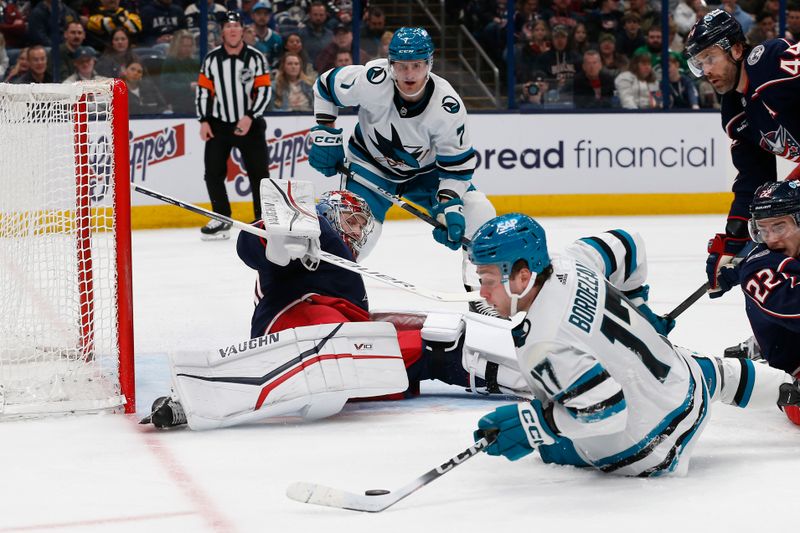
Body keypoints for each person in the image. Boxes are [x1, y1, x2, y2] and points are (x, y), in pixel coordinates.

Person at [141, 184, 505, 430]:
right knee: (330, 341)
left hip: (350, 356)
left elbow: (362, 323)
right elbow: (249, 246)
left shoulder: (343, 269)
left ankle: (525, 371)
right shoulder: (309, 250)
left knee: (444, 341)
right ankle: (195, 398)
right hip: (298, 334)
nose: (359, 231)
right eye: (352, 220)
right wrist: (281, 239)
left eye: (363, 225)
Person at [466, 213, 800, 475]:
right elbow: (627, 244)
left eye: (488, 280)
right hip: (688, 384)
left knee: (553, 448)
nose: (482, 293)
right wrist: (640, 309)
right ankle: (792, 390)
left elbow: (607, 413)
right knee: (712, 372)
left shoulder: (545, 343)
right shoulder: (573, 260)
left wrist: (535, 425)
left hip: (650, 447)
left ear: (523, 276)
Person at [308, 27, 498, 314]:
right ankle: (325, 296)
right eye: (402, 66)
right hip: (368, 165)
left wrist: (450, 204)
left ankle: (482, 294)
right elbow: (325, 85)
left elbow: (457, 168)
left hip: (427, 174)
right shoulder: (372, 80)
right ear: (390, 65)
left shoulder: (447, 107)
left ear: (429, 65)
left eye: (417, 66)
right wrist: (325, 130)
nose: (409, 74)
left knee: (478, 210)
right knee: (352, 230)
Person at [683, 10, 800, 298]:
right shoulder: (735, 113)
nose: (706, 70)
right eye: (699, 64)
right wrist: (732, 240)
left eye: (710, 58)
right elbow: (753, 180)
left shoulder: (770, 61)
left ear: (736, 49)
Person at [196, 10, 272, 240]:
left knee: (259, 174)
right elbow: (203, 92)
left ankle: (262, 220)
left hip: (250, 124)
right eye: (228, 26)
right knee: (212, 173)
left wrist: (250, 116)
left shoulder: (256, 58)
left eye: (236, 25)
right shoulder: (211, 59)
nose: (232, 29)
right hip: (219, 125)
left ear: (242, 29)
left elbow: (264, 91)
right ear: (222, 32)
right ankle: (221, 217)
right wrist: (204, 120)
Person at [730, 179, 800, 426]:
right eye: (763, 230)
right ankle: (764, 343)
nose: (771, 239)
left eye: (779, 227)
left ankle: (758, 343)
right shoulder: (759, 268)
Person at [160, 29, 198, 114]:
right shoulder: (170, 62)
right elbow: (166, 86)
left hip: (196, 102)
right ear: (177, 46)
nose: (188, 49)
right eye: (184, 46)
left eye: (190, 46)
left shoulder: (195, 61)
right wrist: (188, 86)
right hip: (179, 105)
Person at [251, 1, 283, 71]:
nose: (262, 16)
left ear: (270, 16)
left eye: (266, 14)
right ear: (253, 16)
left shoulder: (277, 38)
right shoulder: (245, 36)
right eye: (259, 13)